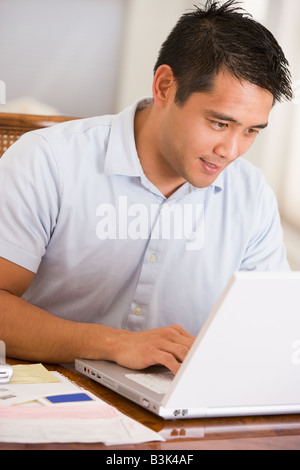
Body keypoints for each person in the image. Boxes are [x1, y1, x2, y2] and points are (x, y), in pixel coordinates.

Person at [0, 0, 293, 374]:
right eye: (220, 123)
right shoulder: (48, 161)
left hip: (178, 407)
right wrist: (115, 344)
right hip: (52, 390)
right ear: (165, 86)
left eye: (251, 131)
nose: (231, 151)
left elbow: (269, 327)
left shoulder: (251, 195)